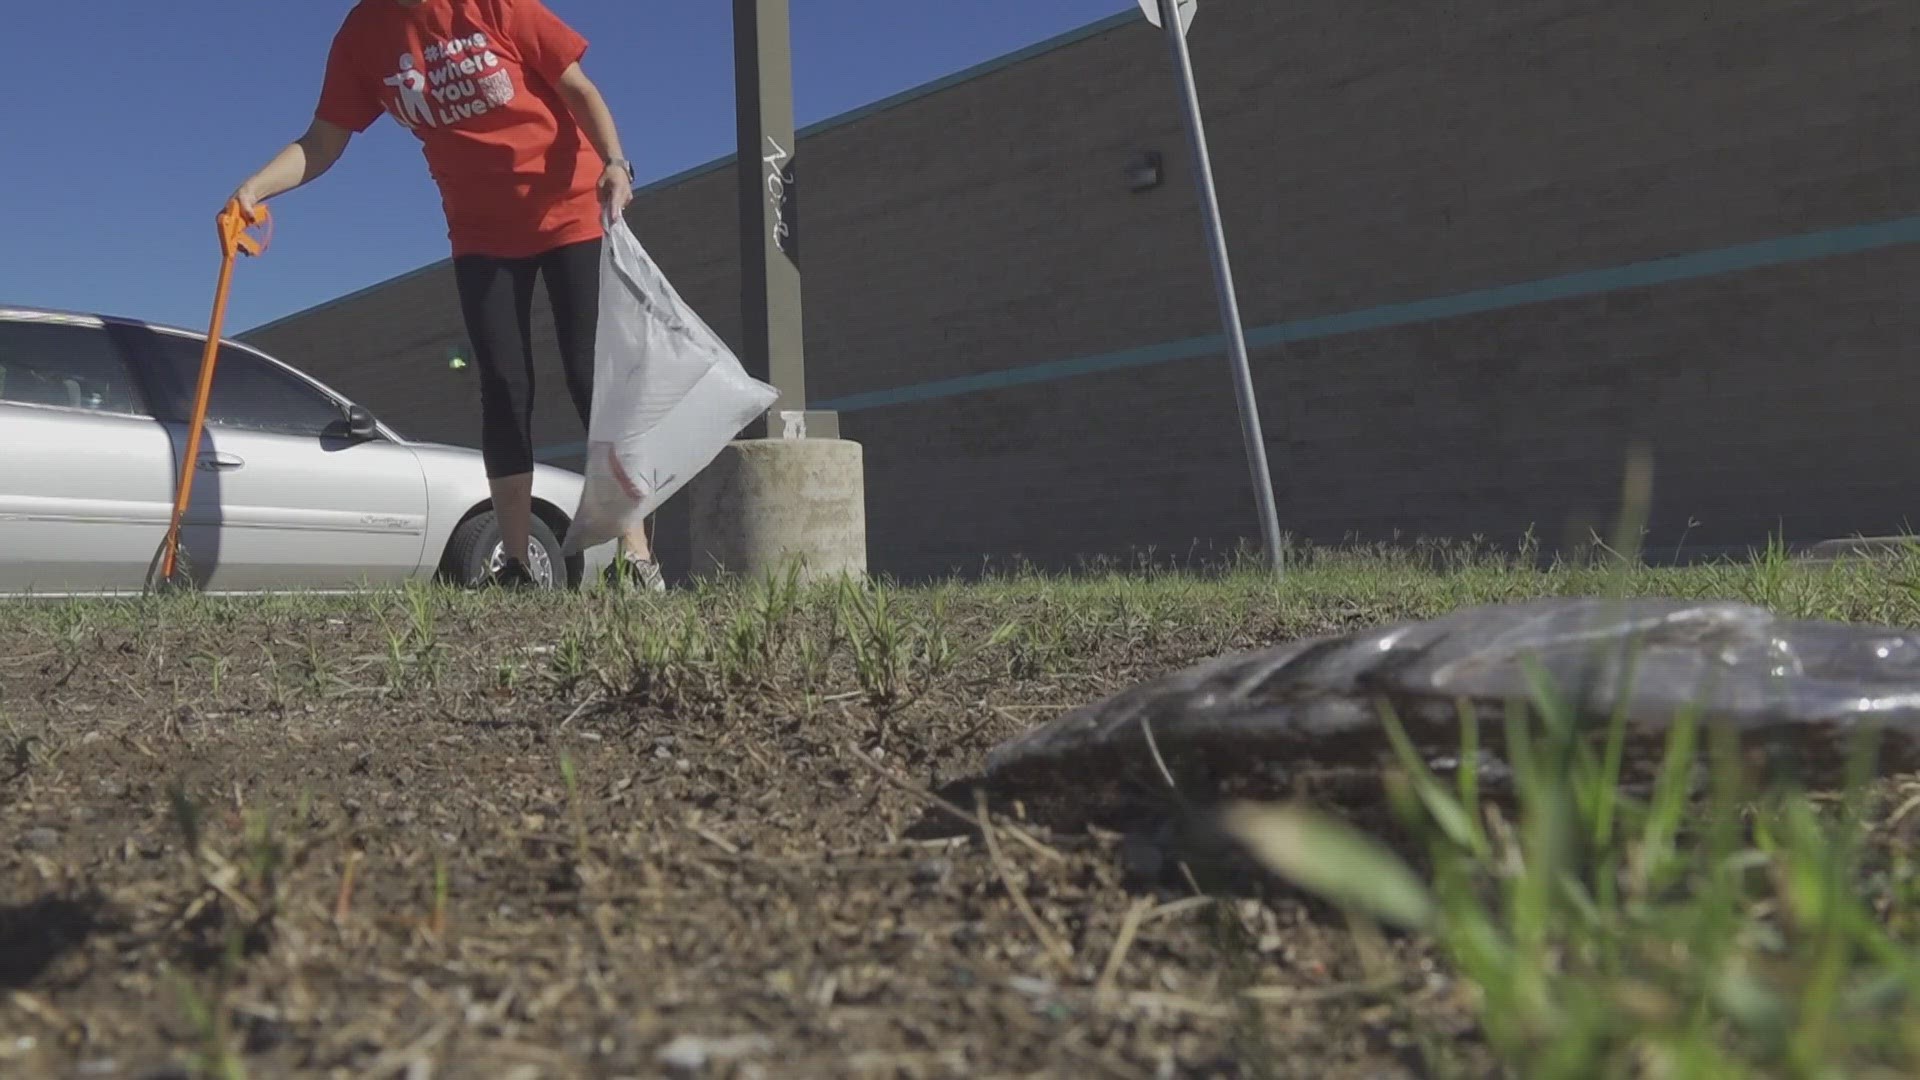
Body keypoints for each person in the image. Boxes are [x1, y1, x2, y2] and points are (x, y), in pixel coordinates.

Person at [230, 0, 665, 592]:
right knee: (504, 386)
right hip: (481, 232)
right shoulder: (364, 35)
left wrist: (616, 162)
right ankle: (515, 564)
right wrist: (255, 188)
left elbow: (578, 88)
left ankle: (635, 554)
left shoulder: (492, 6)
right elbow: (323, 141)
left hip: (569, 208)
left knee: (591, 376)